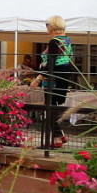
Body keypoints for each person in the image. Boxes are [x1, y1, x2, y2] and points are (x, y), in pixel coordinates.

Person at [31, 15, 76, 147]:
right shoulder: (67, 41)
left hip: (53, 80)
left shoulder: (54, 41)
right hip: (63, 79)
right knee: (52, 110)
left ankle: (56, 139)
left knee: (49, 109)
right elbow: (67, 62)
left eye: (47, 24)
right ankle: (59, 136)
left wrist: (37, 79)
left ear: (52, 26)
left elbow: (51, 64)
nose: (46, 27)